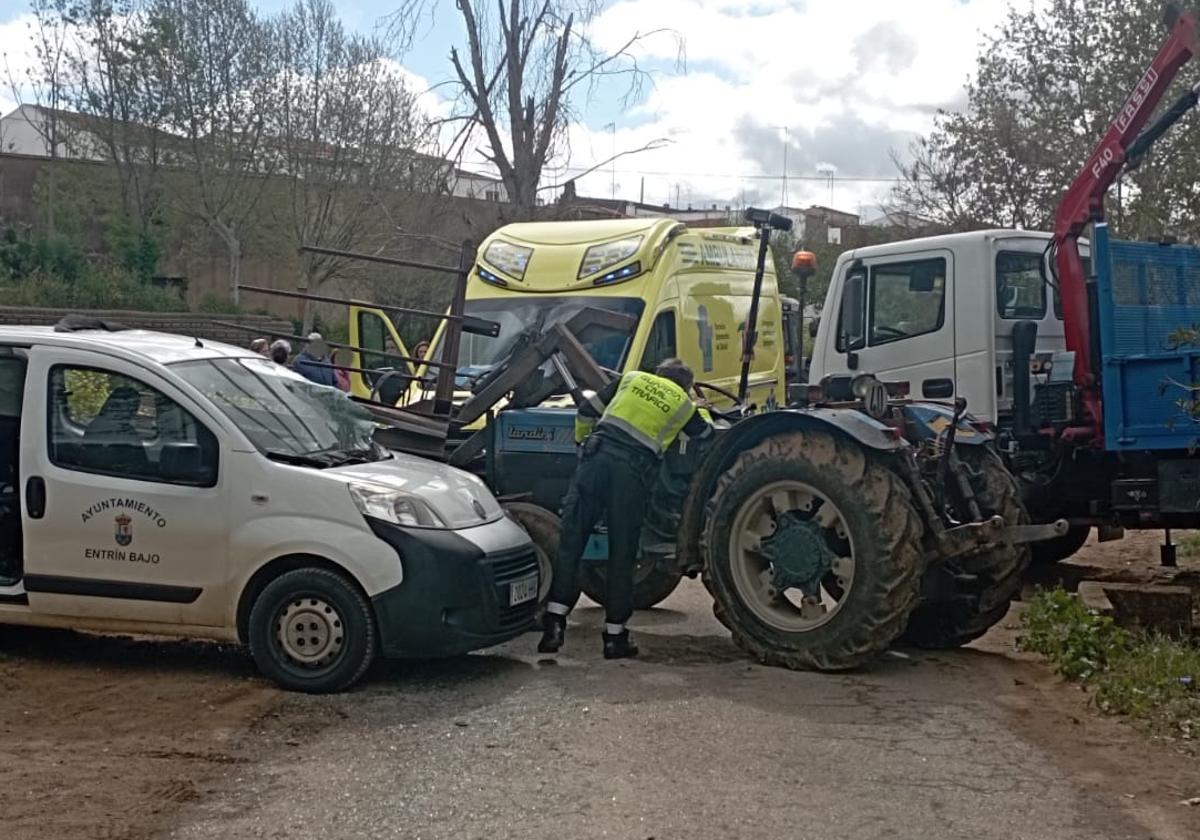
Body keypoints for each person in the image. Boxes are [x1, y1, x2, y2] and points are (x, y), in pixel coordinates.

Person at [539, 358, 712, 659]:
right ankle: (615, 638)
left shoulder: (631, 379)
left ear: (658, 374)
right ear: (685, 386)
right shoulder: (684, 405)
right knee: (622, 554)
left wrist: (583, 447)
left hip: (594, 462)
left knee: (570, 545)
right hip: (630, 477)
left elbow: (585, 411)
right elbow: (706, 436)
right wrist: (700, 407)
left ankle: (554, 626)